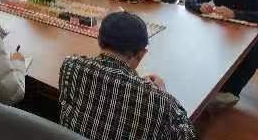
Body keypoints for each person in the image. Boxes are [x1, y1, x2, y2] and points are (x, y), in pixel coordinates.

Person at [59, 12, 196, 140]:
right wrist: (162, 92)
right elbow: (188, 135)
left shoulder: (70, 67)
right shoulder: (159, 100)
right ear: (141, 54)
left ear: (99, 40)